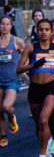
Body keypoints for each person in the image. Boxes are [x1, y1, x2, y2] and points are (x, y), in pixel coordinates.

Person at [17, 19, 54, 157]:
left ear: (51, 32)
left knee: (44, 119)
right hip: (35, 88)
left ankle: (42, 156)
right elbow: (18, 69)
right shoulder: (30, 48)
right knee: (39, 124)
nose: (44, 32)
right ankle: (49, 142)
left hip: (51, 87)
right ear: (37, 31)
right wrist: (33, 65)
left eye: (47, 29)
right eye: (41, 29)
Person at [0, 15, 24, 147]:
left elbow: (26, 55)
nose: (4, 26)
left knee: (6, 107)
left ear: (11, 26)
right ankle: (3, 135)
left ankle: (11, 116)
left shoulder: (17, 41)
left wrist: (23, 69)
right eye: (2, 24)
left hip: (12, 80)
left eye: (7, 24)